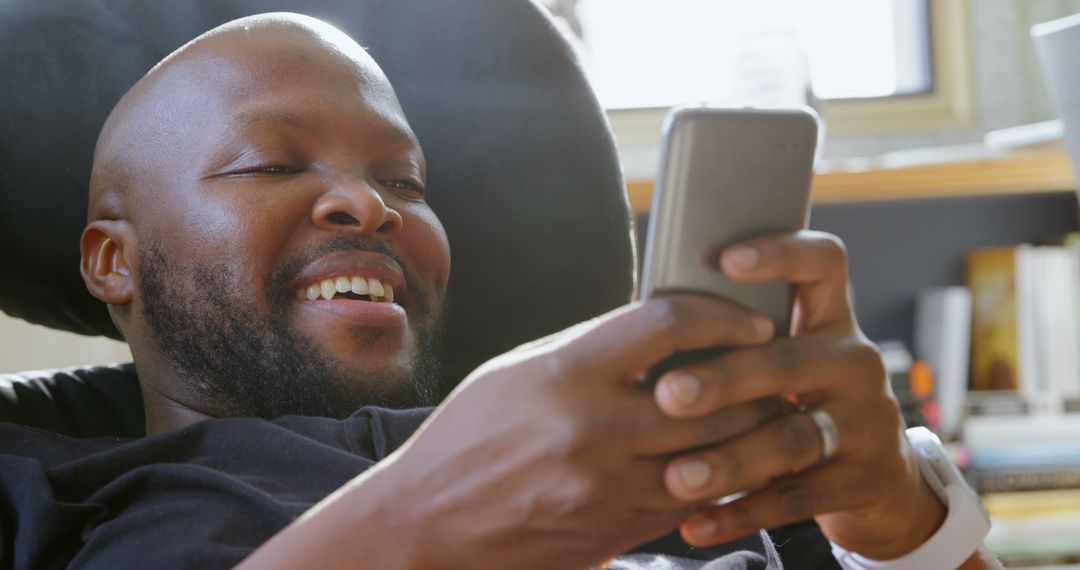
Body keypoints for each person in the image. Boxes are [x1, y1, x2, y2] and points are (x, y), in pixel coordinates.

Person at [0, 12, 999, 570]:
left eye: (405, 182)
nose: (366, 205)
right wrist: (418, 520)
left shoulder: (644, 443)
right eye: (270, 165)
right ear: (110, 260)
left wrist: (898, 524)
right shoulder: (52, 490)